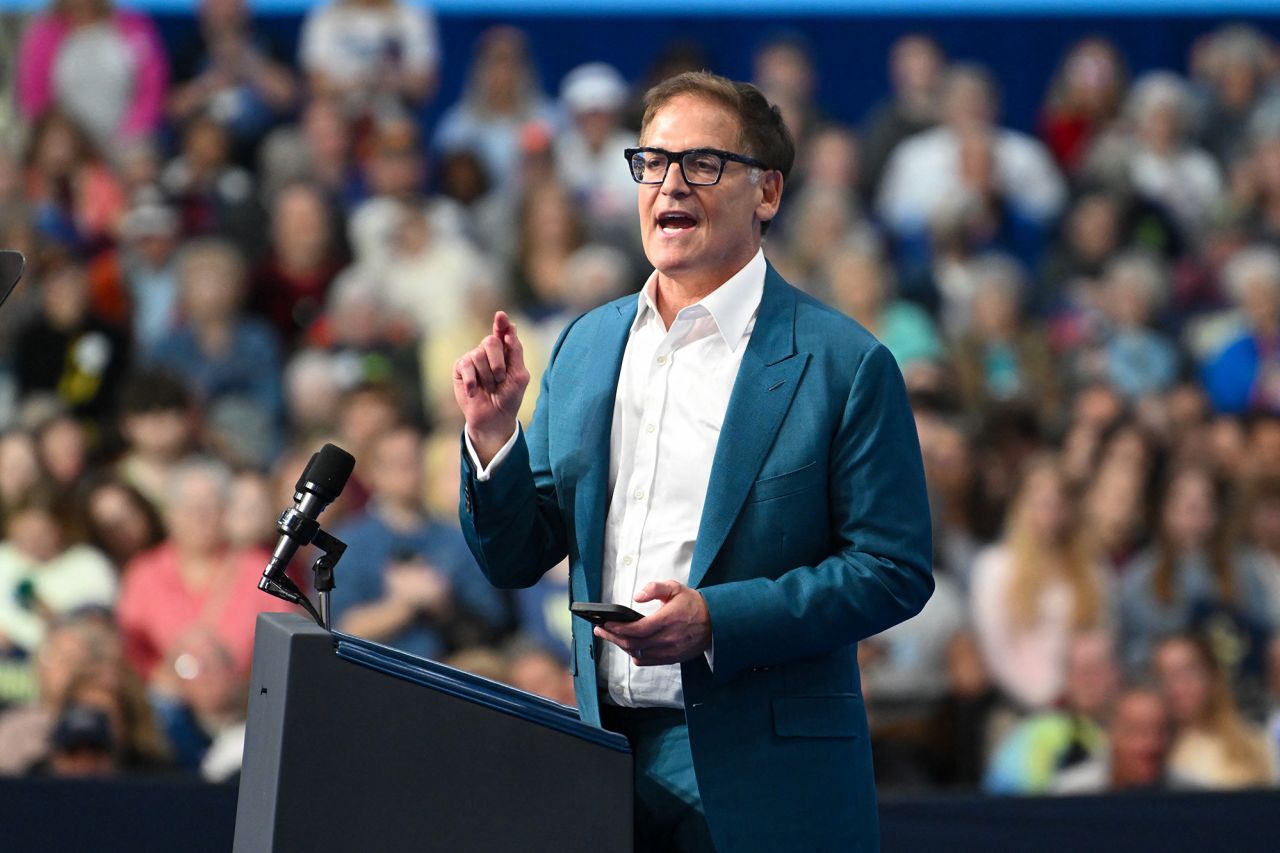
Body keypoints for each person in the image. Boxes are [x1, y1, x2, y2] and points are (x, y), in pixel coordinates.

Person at [454, 71, 933, 852]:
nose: (670, 184)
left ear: (767, 192)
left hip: (768, 777)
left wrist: (717, 620)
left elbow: (892, 568)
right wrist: (494, 436)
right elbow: (515, 555)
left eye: (703, 164)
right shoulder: (587, 346)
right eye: (652, 162)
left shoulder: (843, 361)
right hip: (605, 758)